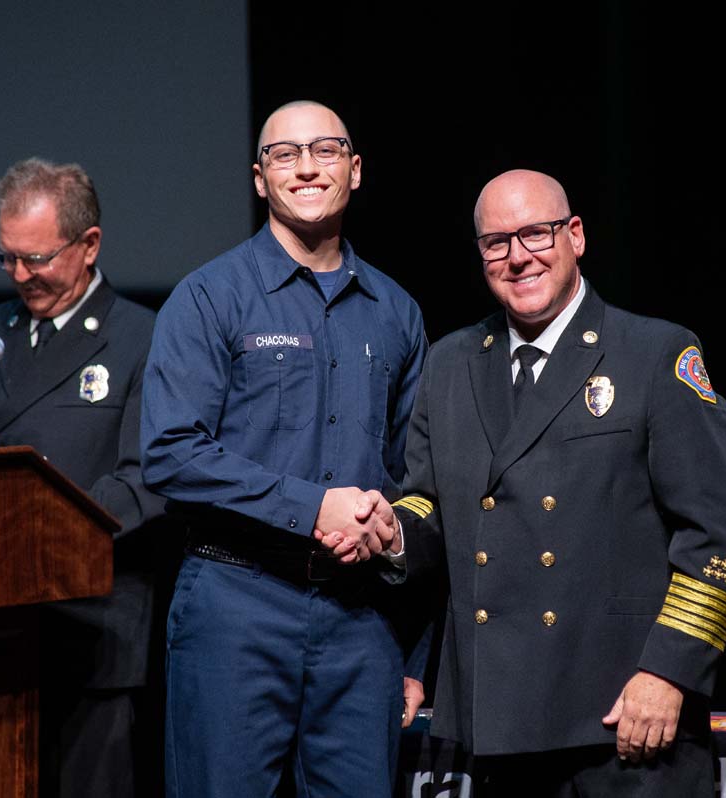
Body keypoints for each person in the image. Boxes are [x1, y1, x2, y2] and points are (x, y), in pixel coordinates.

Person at [386, 169, 726, 795]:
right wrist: (387, 530)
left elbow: (715, 534)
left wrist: (669, 673)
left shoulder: (654, 353)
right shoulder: (449, 364)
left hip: (628, 722)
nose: (518, 256)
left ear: (575, 236)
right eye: (497, 242)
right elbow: (429, 503)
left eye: (536, 233)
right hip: (503, 725)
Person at [139, 100, 427, 797]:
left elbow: (420, 481)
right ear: (260, 179)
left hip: (362, 624)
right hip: (236, 606)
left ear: (354, 171)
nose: (305, 167)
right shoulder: (208, 297)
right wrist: (312, 506)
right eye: (283, 155)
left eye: (324, 151)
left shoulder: (397, 311)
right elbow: (171, 453)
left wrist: (416, 652)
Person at [0, 157, 167, 798]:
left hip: (92, 628)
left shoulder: (143, 337)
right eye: (7, 256)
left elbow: (146, 479)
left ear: (89, 245)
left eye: (37, 258)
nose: (20, 275)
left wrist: (40, 538)